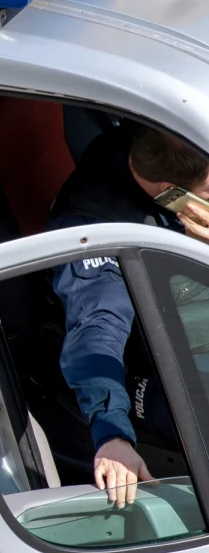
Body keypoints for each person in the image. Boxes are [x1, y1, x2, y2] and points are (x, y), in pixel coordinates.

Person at [48, 121, 209, 507]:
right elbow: (96, 330)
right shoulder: (96, 232)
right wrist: (112, 433)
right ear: (172, 194)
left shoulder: (147, 135)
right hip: (155, 367)